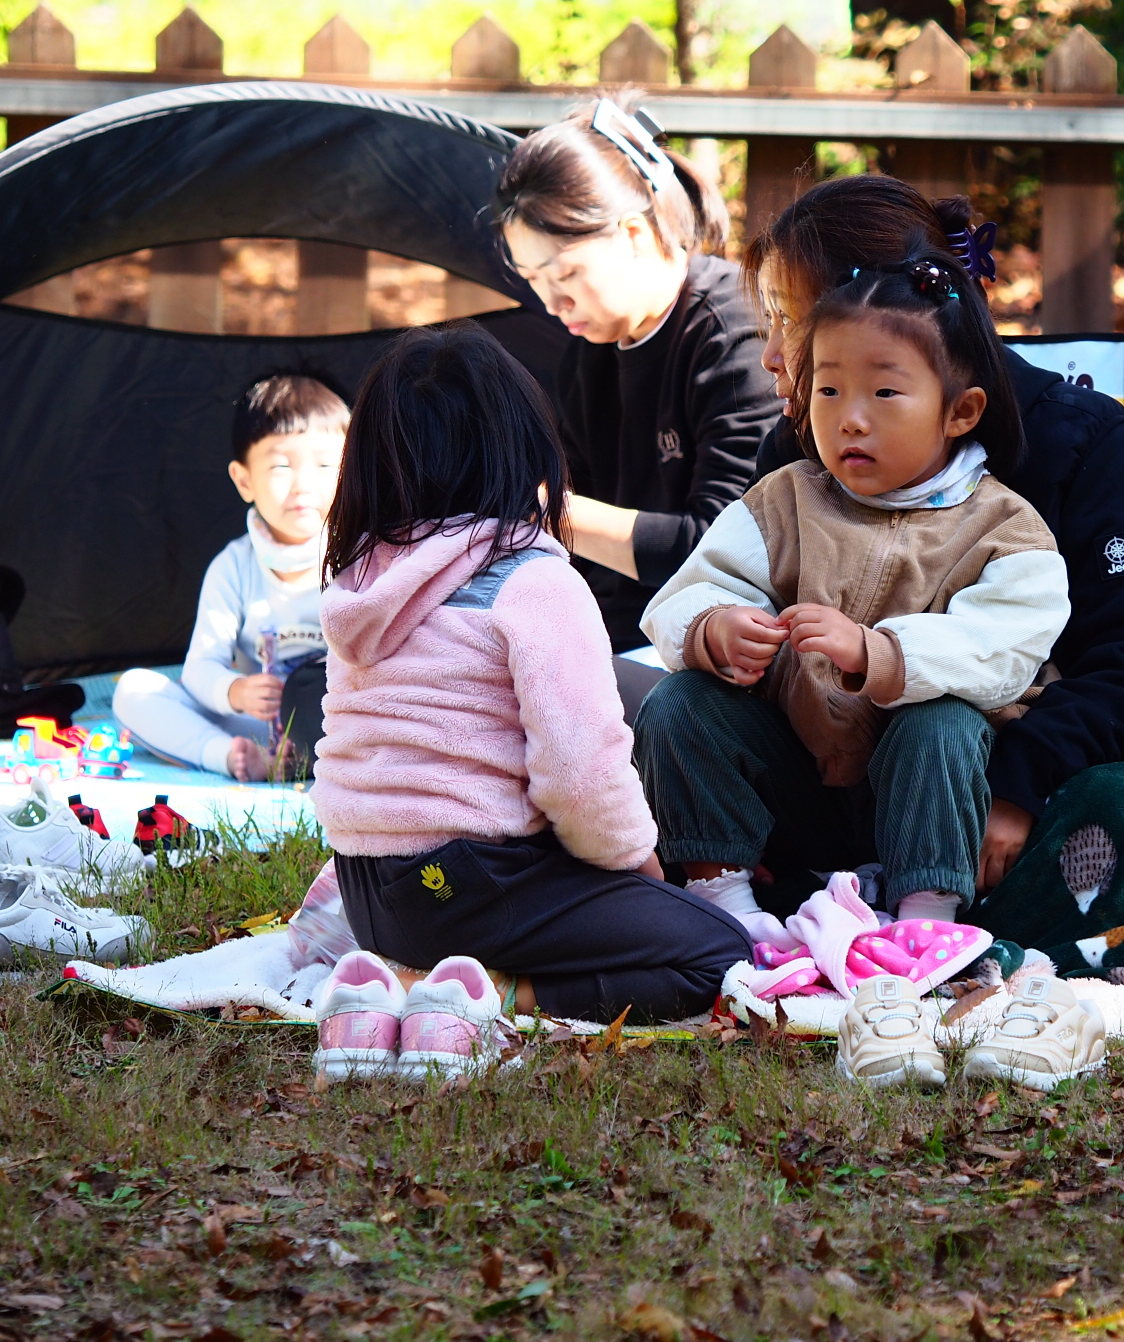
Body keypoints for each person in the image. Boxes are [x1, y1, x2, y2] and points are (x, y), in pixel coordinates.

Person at [740, 178, 1124, 927]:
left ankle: (927, 918)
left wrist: (1016, 787)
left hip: (1045, 777)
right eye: (768, 321)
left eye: (791, 320)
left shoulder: (1079, 441)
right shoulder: (800, 448)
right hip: (856, 781)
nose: (772, 355)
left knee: (1119, 813)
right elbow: (747, 617)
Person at [308, 325, 750, 1029]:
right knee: (719, 952)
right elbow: (580, 770)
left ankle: (405, 961)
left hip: (366, 885)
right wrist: (637, 864)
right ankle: (485, 992)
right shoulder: (531, 579)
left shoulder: (367, 576)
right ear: (524, 449)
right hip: (469, 883)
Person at [635, 251, 1070, 935]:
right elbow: (691, 589)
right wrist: (713, 627)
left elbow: (1002, 651)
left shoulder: (1005, 529)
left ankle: (925, 922)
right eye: (830, 391)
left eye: (884, 393)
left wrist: (877, 653)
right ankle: (727, 906)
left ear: (960, 412)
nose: (851, 419)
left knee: (943, 719)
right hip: (798, 786)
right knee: (680, 702)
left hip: (929, 803)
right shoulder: (785, 500)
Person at [493, 97, 783, 684]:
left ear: (633, 233)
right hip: (605, 638)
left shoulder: (733, 332)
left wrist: (540, 509)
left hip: (715, 647)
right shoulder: (588, 354)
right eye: (534, 281)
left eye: (566, 274)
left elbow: (720, 547)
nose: (552, 303)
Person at [114, 372, 347, 780]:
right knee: (133, 691)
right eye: (281, 466)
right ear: (244, 480)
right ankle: (234, 758)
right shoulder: (234, 567)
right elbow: (200, 667)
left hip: (337, 722)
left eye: (325, 464)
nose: (303, 484)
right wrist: (235, 692)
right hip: (259, 727)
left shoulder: (359, 557)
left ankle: (323, 761)